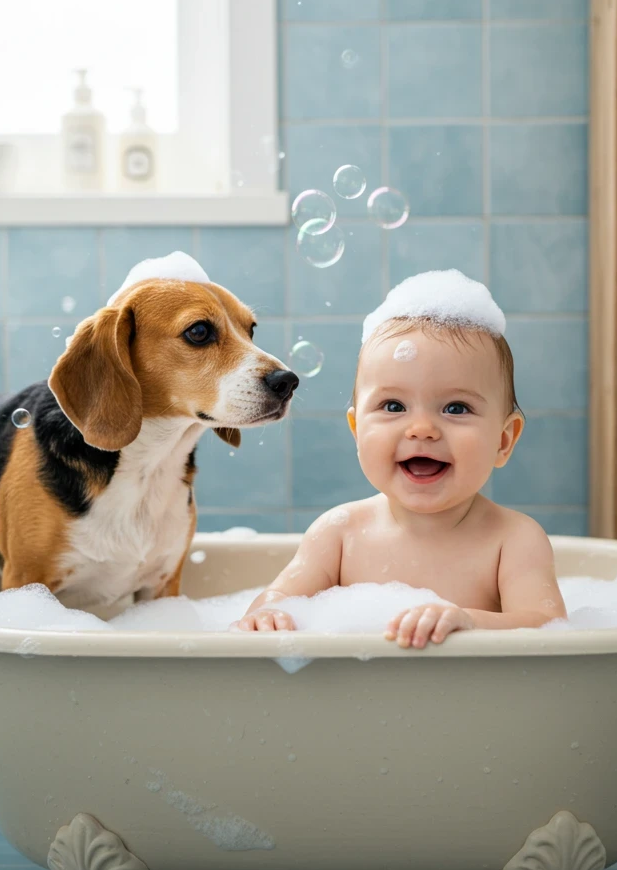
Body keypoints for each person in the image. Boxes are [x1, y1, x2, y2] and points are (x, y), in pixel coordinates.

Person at [233, 270, 566, 647]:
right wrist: (267, 615)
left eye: (456, 408)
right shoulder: (339, 533)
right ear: (357, 430)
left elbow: (548, 628)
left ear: (504, 441)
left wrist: (470, 621)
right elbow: (275, 601)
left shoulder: (514, 540)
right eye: (393, 406)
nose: (422, 429)